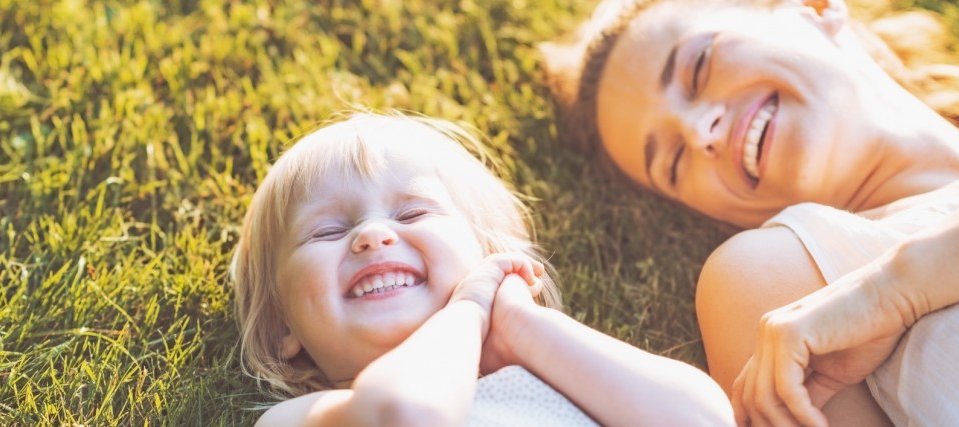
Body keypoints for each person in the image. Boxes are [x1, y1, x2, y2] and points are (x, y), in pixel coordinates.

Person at [542, 0, 959, 425]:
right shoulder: (777, 284)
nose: (699, 131)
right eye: (675, 161)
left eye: (699, 65)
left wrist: (897, 291)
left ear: (814, 8)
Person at [230, 112, 734, 426]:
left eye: (412, 213)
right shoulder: (302, 417)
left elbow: (705, 419)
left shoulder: (556, 370)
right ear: (283, 329)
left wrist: (523, 327)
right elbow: (406, 415)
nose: (372, 235)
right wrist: (467, 311)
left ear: (487, 256)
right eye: (326, 232)